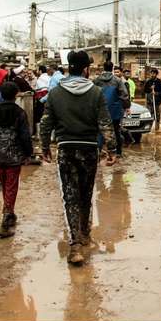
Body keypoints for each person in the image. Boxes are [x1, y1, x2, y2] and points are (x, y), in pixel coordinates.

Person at [40, 51, 118, 266]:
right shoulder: (96, 92)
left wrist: (45, 147)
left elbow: (45, 123)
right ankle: (83, 235)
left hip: (66, 149)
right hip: (89, 149)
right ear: (85, 69)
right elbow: (105, 123)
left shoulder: (55, 93)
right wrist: (112, 150)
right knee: (86, 193)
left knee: (70, 195)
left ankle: (75, 244)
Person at [0, 82, 33, 238]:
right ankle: (6, 216)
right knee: (12, 185)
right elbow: (25, 136)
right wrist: (28, 154)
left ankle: (9, 211)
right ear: (16, 95)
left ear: (0, 94)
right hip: (14, 156)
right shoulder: (20, 113)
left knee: (5, 183)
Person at [94, 61, 130, 157]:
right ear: (112, 68)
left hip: (101, 111)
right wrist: (127, 106)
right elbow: (124, 95)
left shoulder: (97, 80)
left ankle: (98, 150)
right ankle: (118, 152)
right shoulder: (117, 81)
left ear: (103, 68)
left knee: (100, 131)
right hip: (115, 111)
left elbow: (92, 95)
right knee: (116, 131)